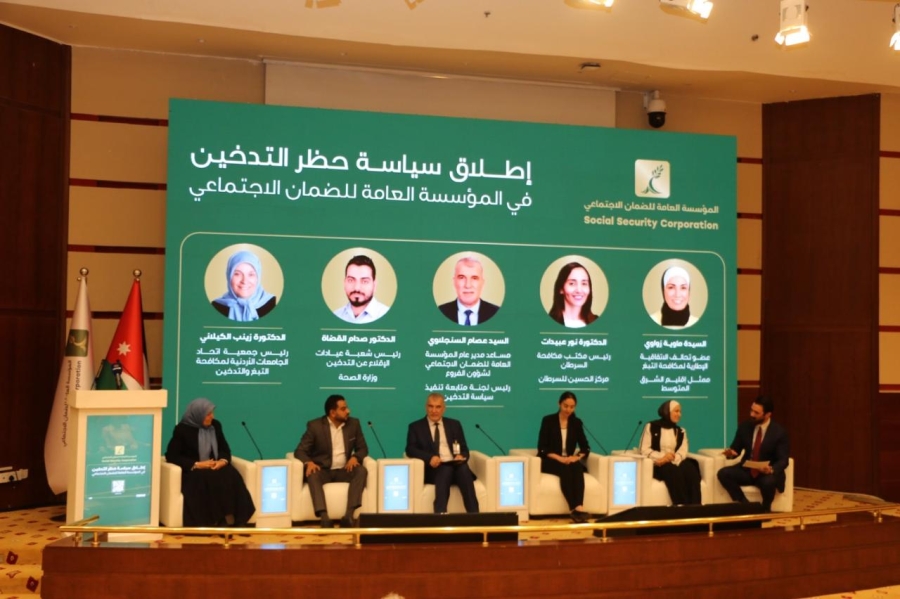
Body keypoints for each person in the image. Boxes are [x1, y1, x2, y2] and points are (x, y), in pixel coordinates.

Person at [164, 398, 256, 527]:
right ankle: (218, 520)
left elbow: (224, 449)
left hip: (214, 466)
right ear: (198, 414)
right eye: (208, 414)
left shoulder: (215, 426)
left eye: (212, 413)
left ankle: (240, 520)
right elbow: (172, 456)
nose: (212, 417)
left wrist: (222, 461)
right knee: (207, 478)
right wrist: (197, 464)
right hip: (193, 471)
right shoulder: (182, 429)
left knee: (230, 474)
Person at [294, 394, 369, 528]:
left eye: (347, 408)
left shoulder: (354, 424)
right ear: (333, 413)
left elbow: (363, 448)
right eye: (343, 409)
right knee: (312, 474)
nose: (348, 411)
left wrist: (355, 457)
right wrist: (309, 463)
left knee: (361, 471)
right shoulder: (315, 426)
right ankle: (324, 518)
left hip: (345, 470)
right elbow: (300, 451)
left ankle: (348, 516)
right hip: (323, 470)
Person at [405, 392, 479, 513]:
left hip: (456, 465)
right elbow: (410, 449)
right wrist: (429, 458)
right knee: (445, 470)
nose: (434, 410)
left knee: (463, 468)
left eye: (438, 407)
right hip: (434, 470)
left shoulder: (454, 424)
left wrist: (461, 456)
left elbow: (464, 449)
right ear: (426, 407)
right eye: (431, 406)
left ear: (444, 409)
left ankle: (475, 516)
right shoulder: (416, 427)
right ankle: (440, 515)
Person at [717, 396, 790, 512]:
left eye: (756, 413)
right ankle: (745, 504)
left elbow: (783, 460)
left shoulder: (779, 432)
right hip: (747, 470)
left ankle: (765, 509)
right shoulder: (745, 426)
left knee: (769, 482)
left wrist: (771, 469)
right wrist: (731, 453)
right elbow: (736, 449)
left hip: (765, 473)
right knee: (723, 473)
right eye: (751, 410)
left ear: (767, 414)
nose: (752, 414)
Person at [536, 391, 591, 522]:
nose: (568, 410)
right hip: (550, 459)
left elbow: (585, 447)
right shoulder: (548, 420)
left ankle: (579, 508)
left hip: (569, 460)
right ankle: (573, 509)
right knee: (565, 468)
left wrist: (576, 457)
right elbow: (542, 447)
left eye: (572, 407)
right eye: (565, 406)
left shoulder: (576, 423)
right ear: (559, 404)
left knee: (577, 467)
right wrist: (560, 458)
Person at [639, 400, 702, 505]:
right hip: (658, 463)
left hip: (675, 460)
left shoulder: (681, 431)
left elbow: (683, 450)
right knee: (673, 471)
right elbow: (644, 449)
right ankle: (682, 507)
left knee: (691, 470)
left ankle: (696, 508)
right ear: (667, 411)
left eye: (680, 412)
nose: (679, 414)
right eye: (676, 411)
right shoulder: (651, 426)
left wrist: (672, 458)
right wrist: (663, 457)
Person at [212, 249, 277, 321]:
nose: (244, 281)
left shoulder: (273, 303)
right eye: (237, 274)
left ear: (258, 277)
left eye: (251, 274)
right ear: (229, 276)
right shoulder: (216, 306)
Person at [438, 256, 499, 326]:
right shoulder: (440, 312)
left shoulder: (496, 313)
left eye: (474, 278)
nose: (468, 285)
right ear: (454, 282)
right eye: (461, 277)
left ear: (482, 283)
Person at [332, 254, 390, 324]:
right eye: (351, 280)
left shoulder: (389, 317)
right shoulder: (335, 316)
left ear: (374, 285)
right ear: (344, 283)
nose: (357, 288)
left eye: (365, 281)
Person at [548, 262, 598, 328]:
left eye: (584, 283)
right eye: (572, 283)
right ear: (561, 289)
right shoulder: (547, 322)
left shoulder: (598, 321)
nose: (579, 290)